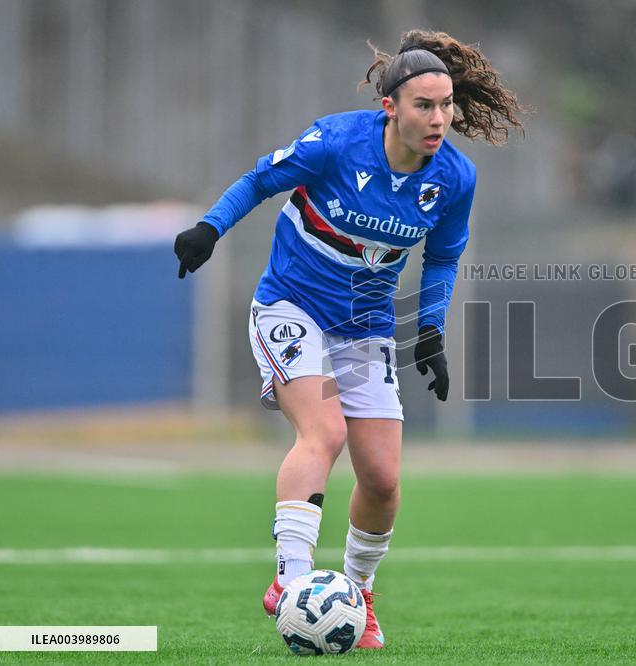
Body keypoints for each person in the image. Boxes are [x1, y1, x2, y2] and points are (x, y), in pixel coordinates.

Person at [173, 29, 523, 650]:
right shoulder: (337, 142)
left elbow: (442, 259)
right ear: (390, 107)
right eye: (424, 105)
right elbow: (259, 181)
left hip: (364, 326)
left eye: (446, 105)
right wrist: (210, 228)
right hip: (291, 305)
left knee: (383, 479)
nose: (439, 119)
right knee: (324, 432)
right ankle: (292, 583)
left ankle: (357, 598)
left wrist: (431, 330)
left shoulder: (455, 178)